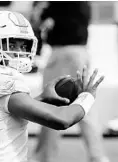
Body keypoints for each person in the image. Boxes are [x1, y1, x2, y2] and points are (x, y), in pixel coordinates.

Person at [0, 11, 104, 162]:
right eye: (12, 44)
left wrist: (41, 98)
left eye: (23, 45)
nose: (20, 51)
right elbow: (62, 120)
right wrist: (87, 97)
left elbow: (7, 114)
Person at [34, 2, 110, 162]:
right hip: (80, 52)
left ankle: (44, 157)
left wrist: (41, 10)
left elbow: (41, 20)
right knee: (85, 103)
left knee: (51, 104)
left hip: (63, 52)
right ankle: (97, 156)